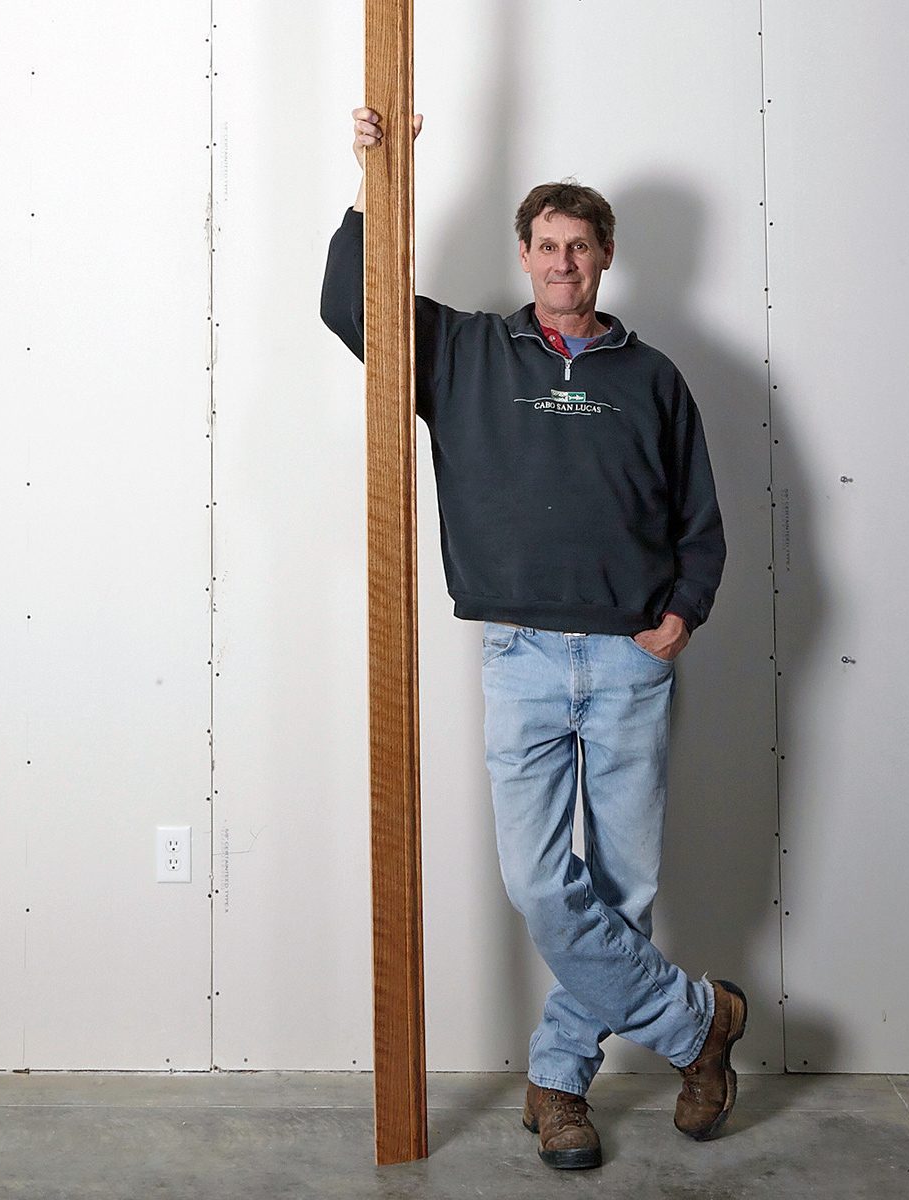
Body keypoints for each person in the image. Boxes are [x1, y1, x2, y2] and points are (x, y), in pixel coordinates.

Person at [321, 108, 746, 1171]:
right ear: (525, 258)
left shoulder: (652, 379)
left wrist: (680, 617)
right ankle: (703, 1025)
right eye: (546, 247)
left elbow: (701, 516)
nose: (563, 263)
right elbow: (346, 303)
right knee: (543, 886)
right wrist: (376, 174)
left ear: (604, 259)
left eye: (581, 247)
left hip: (626, 661)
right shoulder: (463, 351)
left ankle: (558, 1084)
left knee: (625, 891)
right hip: (518, 655)